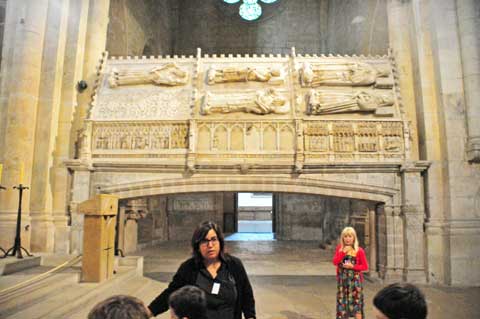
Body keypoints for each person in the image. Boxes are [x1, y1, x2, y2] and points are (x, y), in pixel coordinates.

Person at [148, 221, 256, 319]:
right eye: (204, 241)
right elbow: (170, 293)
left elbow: (247, 296)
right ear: (197, 246)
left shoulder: (234, 265)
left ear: (220, 242)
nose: (210, 245)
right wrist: (148, 312)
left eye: (214, 239)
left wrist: (250, 316)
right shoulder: (189, 268)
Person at [332, 226, 368, 319]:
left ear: (354, 238)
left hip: (355, 283)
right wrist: (343, 252)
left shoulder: (359, 250)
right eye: (346, 236)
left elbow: (365, 266)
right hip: (342, 282)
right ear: (342, 238)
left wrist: (353, 266)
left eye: (350, 236)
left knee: (357, 305)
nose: (348, 239)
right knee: (342, 305)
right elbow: (335, 262)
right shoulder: (340, 249)